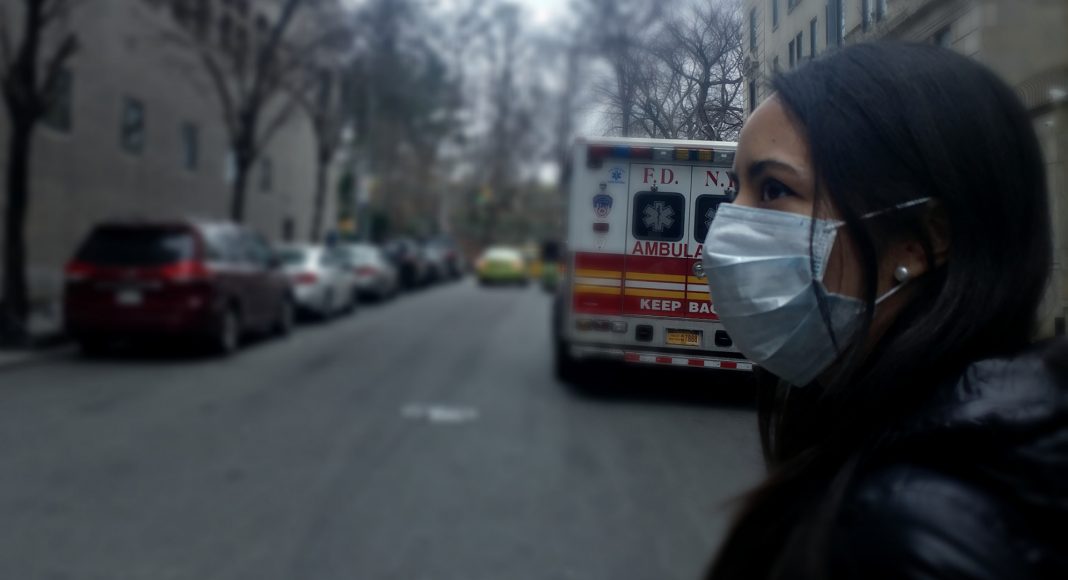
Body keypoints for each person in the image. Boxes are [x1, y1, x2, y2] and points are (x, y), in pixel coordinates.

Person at [700, 42, 1067, 580]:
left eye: (774, 188)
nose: (725, 228)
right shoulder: (957, 466)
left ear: (922, 240)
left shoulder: (899, 534)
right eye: (737, 189)